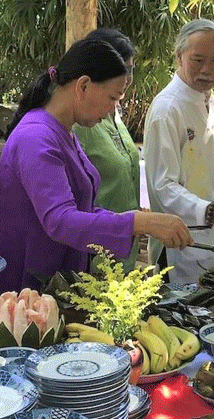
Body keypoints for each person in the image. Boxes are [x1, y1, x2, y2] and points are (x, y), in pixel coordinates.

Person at [0, 38, 193, 292]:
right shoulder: (36, 138)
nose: (115, 107)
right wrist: (138, 223)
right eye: (113, 97)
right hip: (26, 289)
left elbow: (84, 208)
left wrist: (137, 221)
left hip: (58, 281)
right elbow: (61, 221)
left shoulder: (64, 131)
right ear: (83, 86)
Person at [143, 19, 214, 283]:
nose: (208, 70)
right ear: (179, 56)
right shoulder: (167, 109)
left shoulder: (204, 98)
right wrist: (211, 211)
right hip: (180, 250)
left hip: (212, 241)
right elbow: (162, 186)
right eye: (198, 60)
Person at [73, 28, 140, 271]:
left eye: (131, 69)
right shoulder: (82, 121)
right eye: (122, 68)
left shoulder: (114, 113)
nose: (127, 76)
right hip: (94, 255)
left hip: (125, 250)